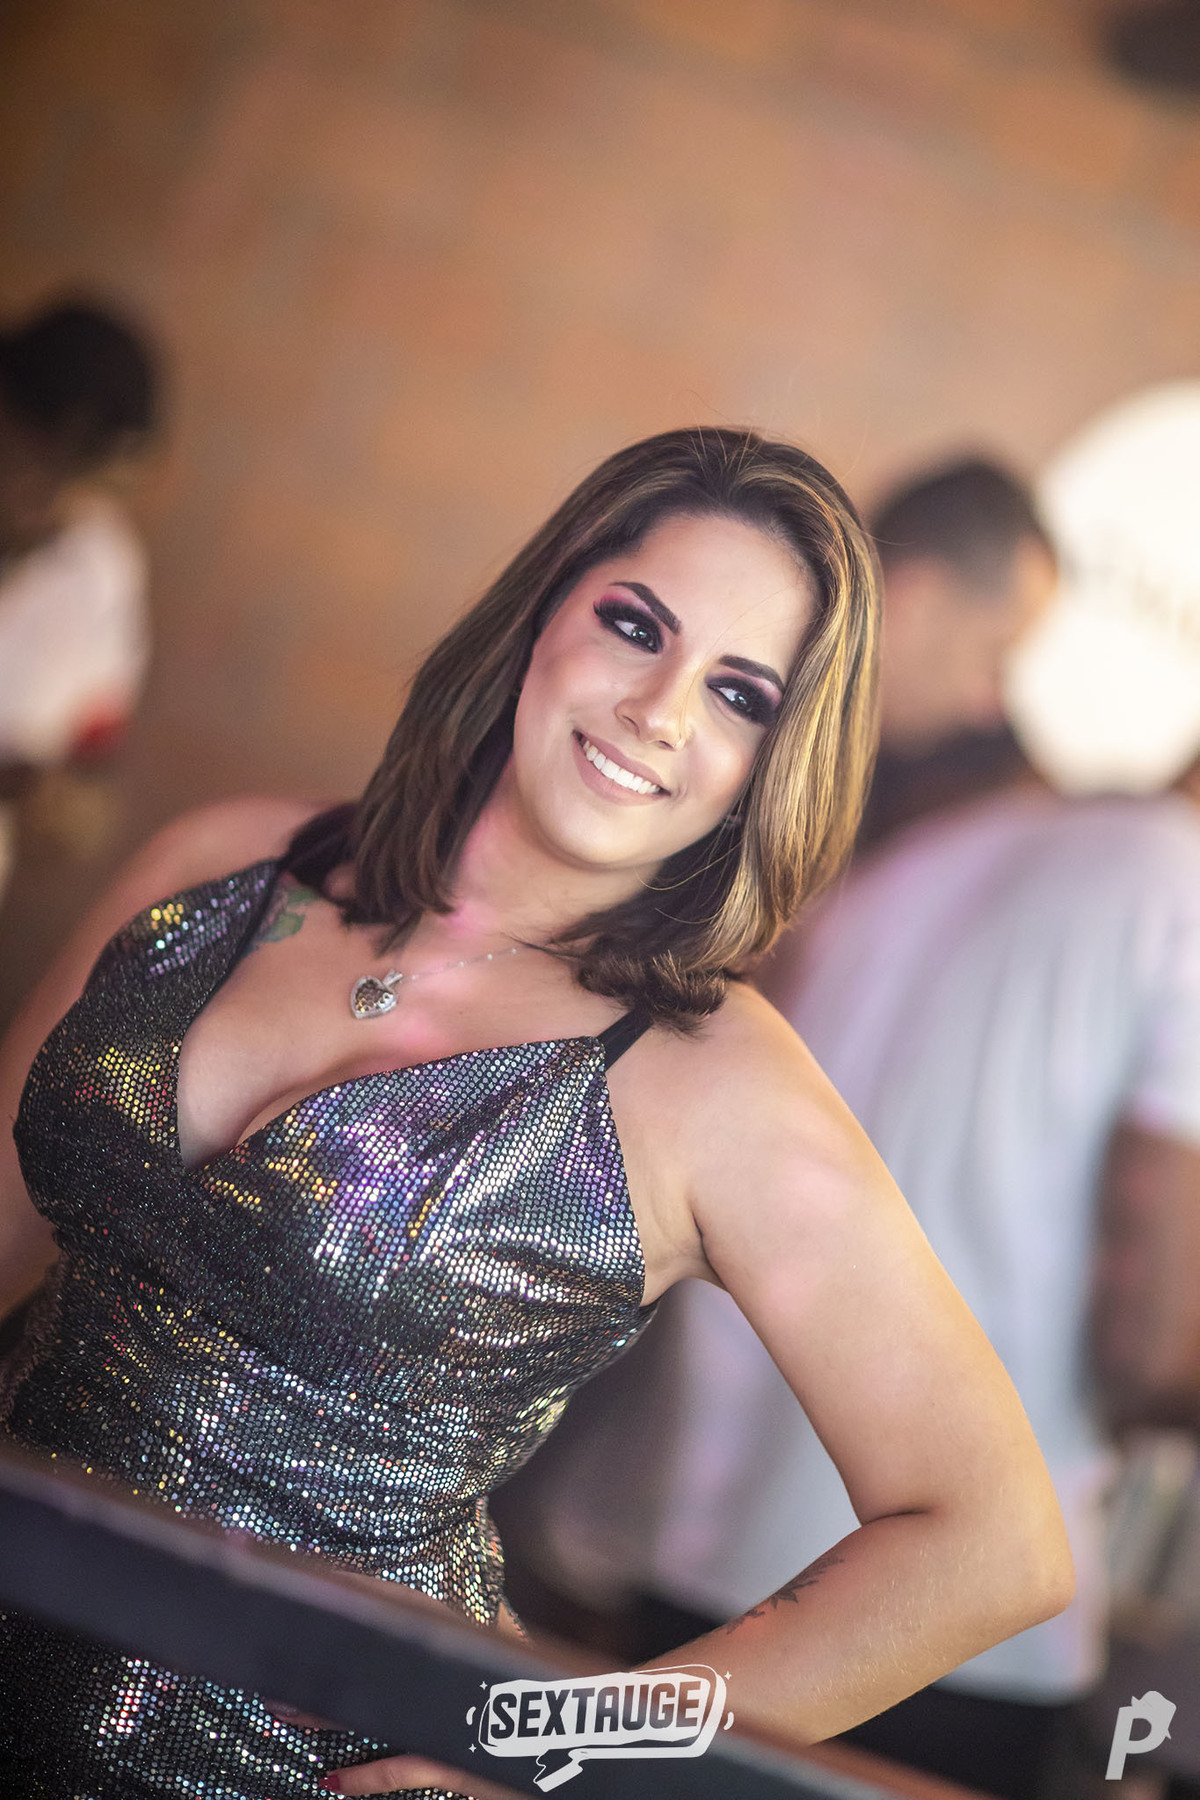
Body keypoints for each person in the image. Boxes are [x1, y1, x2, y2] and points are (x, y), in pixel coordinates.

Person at [0, 427, 1072, 1800]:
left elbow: (993, 1544)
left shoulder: (710, 1081)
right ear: (544, 612)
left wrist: (555, 1743)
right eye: (636, 626)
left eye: (740, 694)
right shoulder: (220, 862)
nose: (660, 711)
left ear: (773, 763)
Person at [0, 295, 160, 894]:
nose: (55, 498)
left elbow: (91, 766)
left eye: (88, 479)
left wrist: (61, 806)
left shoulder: (100, 572)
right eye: (40, 461)